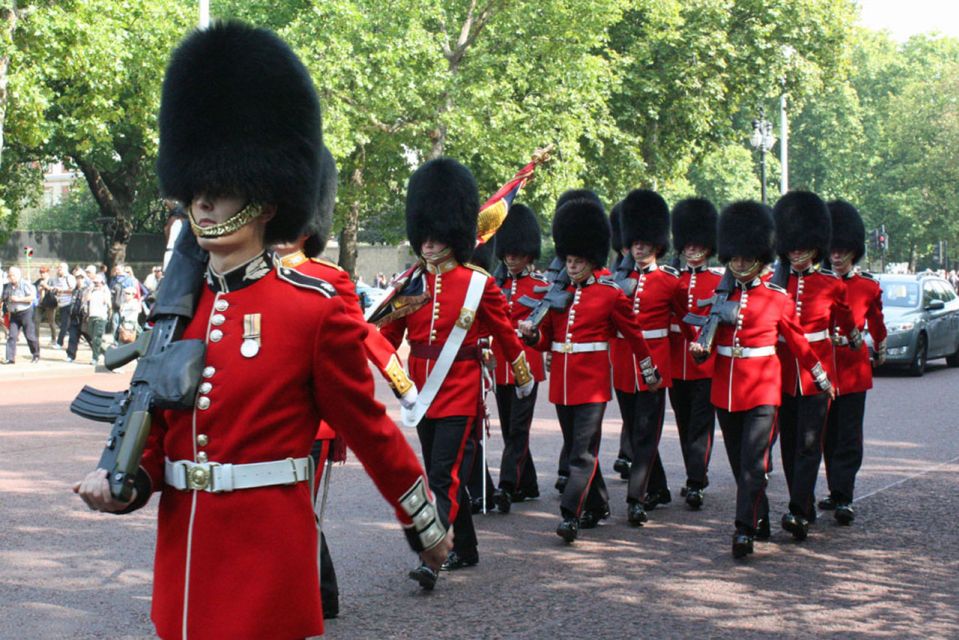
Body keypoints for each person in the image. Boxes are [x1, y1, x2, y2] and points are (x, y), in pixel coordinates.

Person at [74, 22, 448, 639]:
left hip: (267, 562)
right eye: (195, 191)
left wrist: (421, 521)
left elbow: (369, 427)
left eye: (219, 192)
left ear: (266, 201)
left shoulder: (312, 310)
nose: (202, 206)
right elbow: (159, 426)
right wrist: (127, 481)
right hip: (186, 565)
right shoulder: (177, 312)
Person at [273, 145, 419, 615]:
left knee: (300, 509)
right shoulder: (249, 276)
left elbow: (362, 336)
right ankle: (318, 593)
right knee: (286, 509)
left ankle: (319, 594)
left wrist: (401, 382)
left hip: (313, 420)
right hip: (269, 416)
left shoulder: (328, 278)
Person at [380, 157, 535, 580]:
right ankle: (464, 546)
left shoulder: (478, 282)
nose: (428, 245)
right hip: (420, 392)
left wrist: (522, 377)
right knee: (442, 473)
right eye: (423, 238)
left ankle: (431, 555)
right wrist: (398, 382)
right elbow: (385, 339)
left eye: (436, 237)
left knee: (441, 475)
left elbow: (505, 334)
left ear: (453, 236)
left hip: (461, 388)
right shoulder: (411, 284)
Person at [689, 200, 835, 558]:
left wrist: (819, 375)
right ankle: (759, 516)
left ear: (759, 256)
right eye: (734, 258)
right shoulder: (718, 296)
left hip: (763, 389)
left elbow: (798, 341)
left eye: (744, 257)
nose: (738, 264)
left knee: (755, 462)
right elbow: (707, 337)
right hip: (726, 388)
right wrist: (700, 350)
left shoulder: (777, 297)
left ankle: (743, 530)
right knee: (741, 464)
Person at [519, 194, 661, 541]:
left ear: (591, 260)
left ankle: (571, 513)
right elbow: (546, 340)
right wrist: (531, 334)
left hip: (594, 383)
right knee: (579, 448)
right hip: (563, 384)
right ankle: (597, 504)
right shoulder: (557, 295)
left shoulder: (610, 294)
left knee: (581, 453)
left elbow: (635, 336)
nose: (570, 266)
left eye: (577, 261)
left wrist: (647, 369)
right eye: (567, 260)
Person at [772, 191, 861, 541]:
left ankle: (797, 509)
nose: (796, 254)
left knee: (809, 443)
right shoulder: (776, 283)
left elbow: (845, 317)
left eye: (802, 248)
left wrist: (854, 338)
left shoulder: (831, 284)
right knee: (789, 443)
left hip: (817, 375)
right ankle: (804, 503)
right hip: (782, 373)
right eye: (791, 248)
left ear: (815, 247)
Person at [612, 189, 696, 525]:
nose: (640, 247)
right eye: (635, 242)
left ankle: (636, 498)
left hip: (654, 367)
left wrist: (699, 348)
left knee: (646, 433)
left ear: (656, 245)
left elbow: (686, 322)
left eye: (645, 243)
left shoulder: (670, 282)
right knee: (635, 432)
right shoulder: (618, 281)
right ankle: (658, 487)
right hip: (622, 365)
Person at [819, 200, 888, 525]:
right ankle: (835, 489)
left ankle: (845, 495)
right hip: (822, 367)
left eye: (842, 250)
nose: (836, 255)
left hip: (853, 367)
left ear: (853, 252)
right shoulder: (819, 284)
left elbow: (875, 321)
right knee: (826, 436)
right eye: (832, 249)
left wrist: (881, 346)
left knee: (848, 435)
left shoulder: (867, 286)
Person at [490, 204, 547, 513]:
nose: (511, 257)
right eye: (508, 252)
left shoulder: (541, 287)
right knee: (511, 426)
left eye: (517, 253)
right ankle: (530, 484)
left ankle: (507, 486)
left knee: (517, 429)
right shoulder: (495, 286)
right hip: (501, 365)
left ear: (529, 254)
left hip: (527, 365)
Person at [667, 198, 722, 509]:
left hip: (705, 364)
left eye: (697, 244)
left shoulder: (717, 282)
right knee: (685, 423)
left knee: (701, 424)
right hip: (677, 361)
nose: (690, 249)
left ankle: (696, 481)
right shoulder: (673, 279)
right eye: (687, 244)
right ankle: (694, 473)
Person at [3, 266, 40, 364]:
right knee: (12, 336)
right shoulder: (7, 286)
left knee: (29, 335)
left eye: (13, 275)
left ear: (18, 275)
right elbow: (3, 298)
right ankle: (10, 358)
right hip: (14, 314)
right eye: (9, 275)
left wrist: (18, 299)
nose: (11, 277)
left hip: (26, 312)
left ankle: (35, 354)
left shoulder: (25, 284)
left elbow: (31, 298)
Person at [85, 273, 112, 365]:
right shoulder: (92, 291)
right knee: (92, 337)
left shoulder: (105, 291)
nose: (96, 284)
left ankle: (95, 358)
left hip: (100, 317)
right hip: (92, 315)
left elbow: (107, 303)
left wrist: (103, 289)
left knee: (97, 338)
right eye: (95, 282)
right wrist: (90, 289)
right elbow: (87, 299)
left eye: (98, 283)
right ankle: (108, 353)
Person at [50, 262, 75, 348]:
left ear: (65, 269)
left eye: (60, 268)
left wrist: (62, 290)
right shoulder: (57, 279)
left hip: (69, 303)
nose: (59, 269)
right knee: (64, 323)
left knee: (64, 324)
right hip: (61, 303)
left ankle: (59, 343)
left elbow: (73, 290)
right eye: (58, 268)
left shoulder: (70, 278)